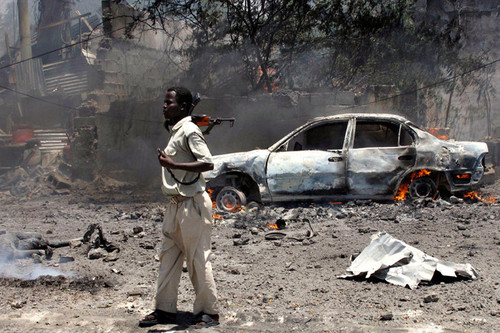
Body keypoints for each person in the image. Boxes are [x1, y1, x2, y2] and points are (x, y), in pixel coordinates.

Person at [139, 87, 219, 328]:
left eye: (169, 102)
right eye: (164, 102)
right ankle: (164, 310)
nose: (164, 106)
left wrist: (172, 163)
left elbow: (207, 163)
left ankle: (209, 313)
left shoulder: (189, 130)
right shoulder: (176, 130)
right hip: (175, 205)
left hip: (192, 204)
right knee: (168, 258)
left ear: (183, 107)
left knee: (197, 259)